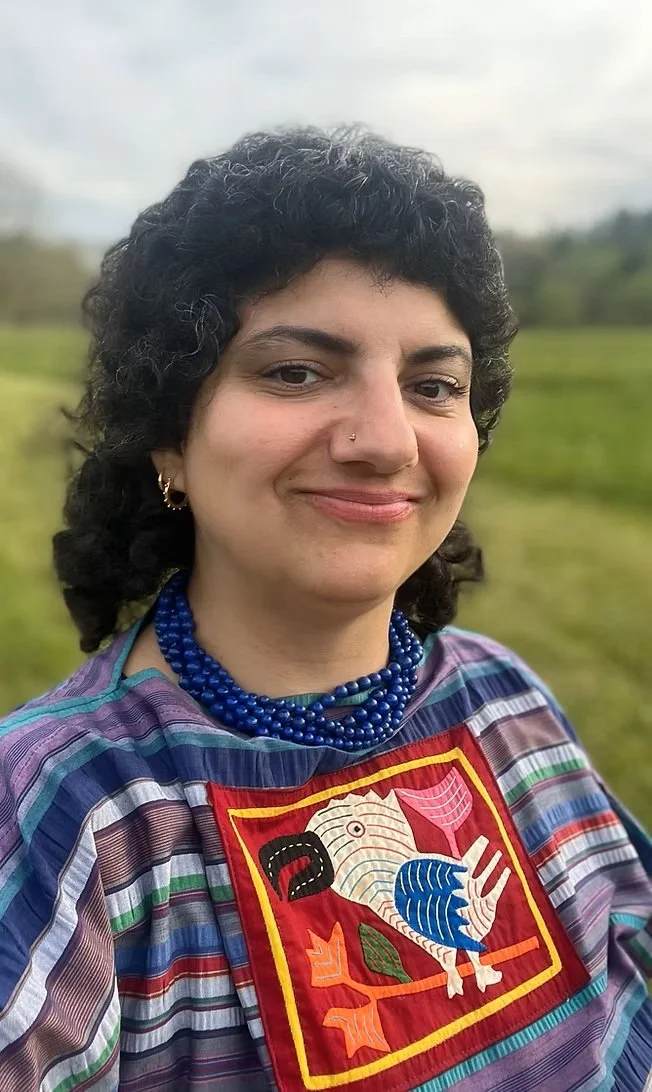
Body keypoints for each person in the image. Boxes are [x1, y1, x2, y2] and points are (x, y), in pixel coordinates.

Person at [0, 127, 649, 1092]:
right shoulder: (71, 806)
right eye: (296, 371)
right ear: (169, 437)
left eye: (434, 385)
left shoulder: (505, 693)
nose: (387, 440)